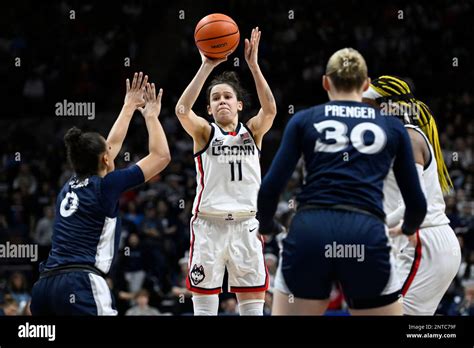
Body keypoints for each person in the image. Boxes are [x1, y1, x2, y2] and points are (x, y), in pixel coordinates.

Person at [257, 48, 427, 315]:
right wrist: (408, 229)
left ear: (326, 82)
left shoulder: (303, 119)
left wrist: (267, 224)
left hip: (310, 230)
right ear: (366, 84)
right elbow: (417, 203)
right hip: (365, 232)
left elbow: (269, 189)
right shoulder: (393, 128)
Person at [30, 72, 171, 315]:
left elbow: (110, 147)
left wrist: (128, 107)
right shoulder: (107, 185)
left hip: (44, 287)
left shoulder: (68, 185)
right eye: (108, 151)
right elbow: (161, 157)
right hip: (80, 282)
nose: (112, 150)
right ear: (106, 159)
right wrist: (150, 117)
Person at [175, 28, 277, 315]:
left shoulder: (253, 132)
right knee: (205, 307)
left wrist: (254, 66)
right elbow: (182, 110)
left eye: (227, 96)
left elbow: (270, 110)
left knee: (253, 308)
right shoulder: (205, 133)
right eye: (216, 98)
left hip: (247, 226)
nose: (221, 101)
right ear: (209, 109)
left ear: (239, 105)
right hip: (209, 226)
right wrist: (207, 65)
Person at [362, 75, 461, 315]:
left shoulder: (408, 137)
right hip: (415, 242)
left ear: (383, 107)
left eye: (366, 105)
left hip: (424, 241)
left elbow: (416, 202)